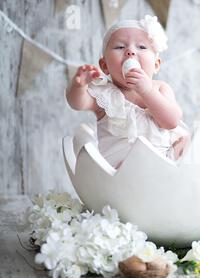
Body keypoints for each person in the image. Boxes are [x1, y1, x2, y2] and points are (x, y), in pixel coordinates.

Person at [65, 15, 189, 168]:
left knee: (192, 142)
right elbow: (77, 103)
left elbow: (171, 121)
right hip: (123, 170)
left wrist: (147, 91)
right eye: (120, 47)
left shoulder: (160, 88)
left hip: (165, 161)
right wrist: (78, 86)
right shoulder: (105, 93)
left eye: (142, 47)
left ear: (156, 65)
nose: (130, 51)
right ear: (104, 66)